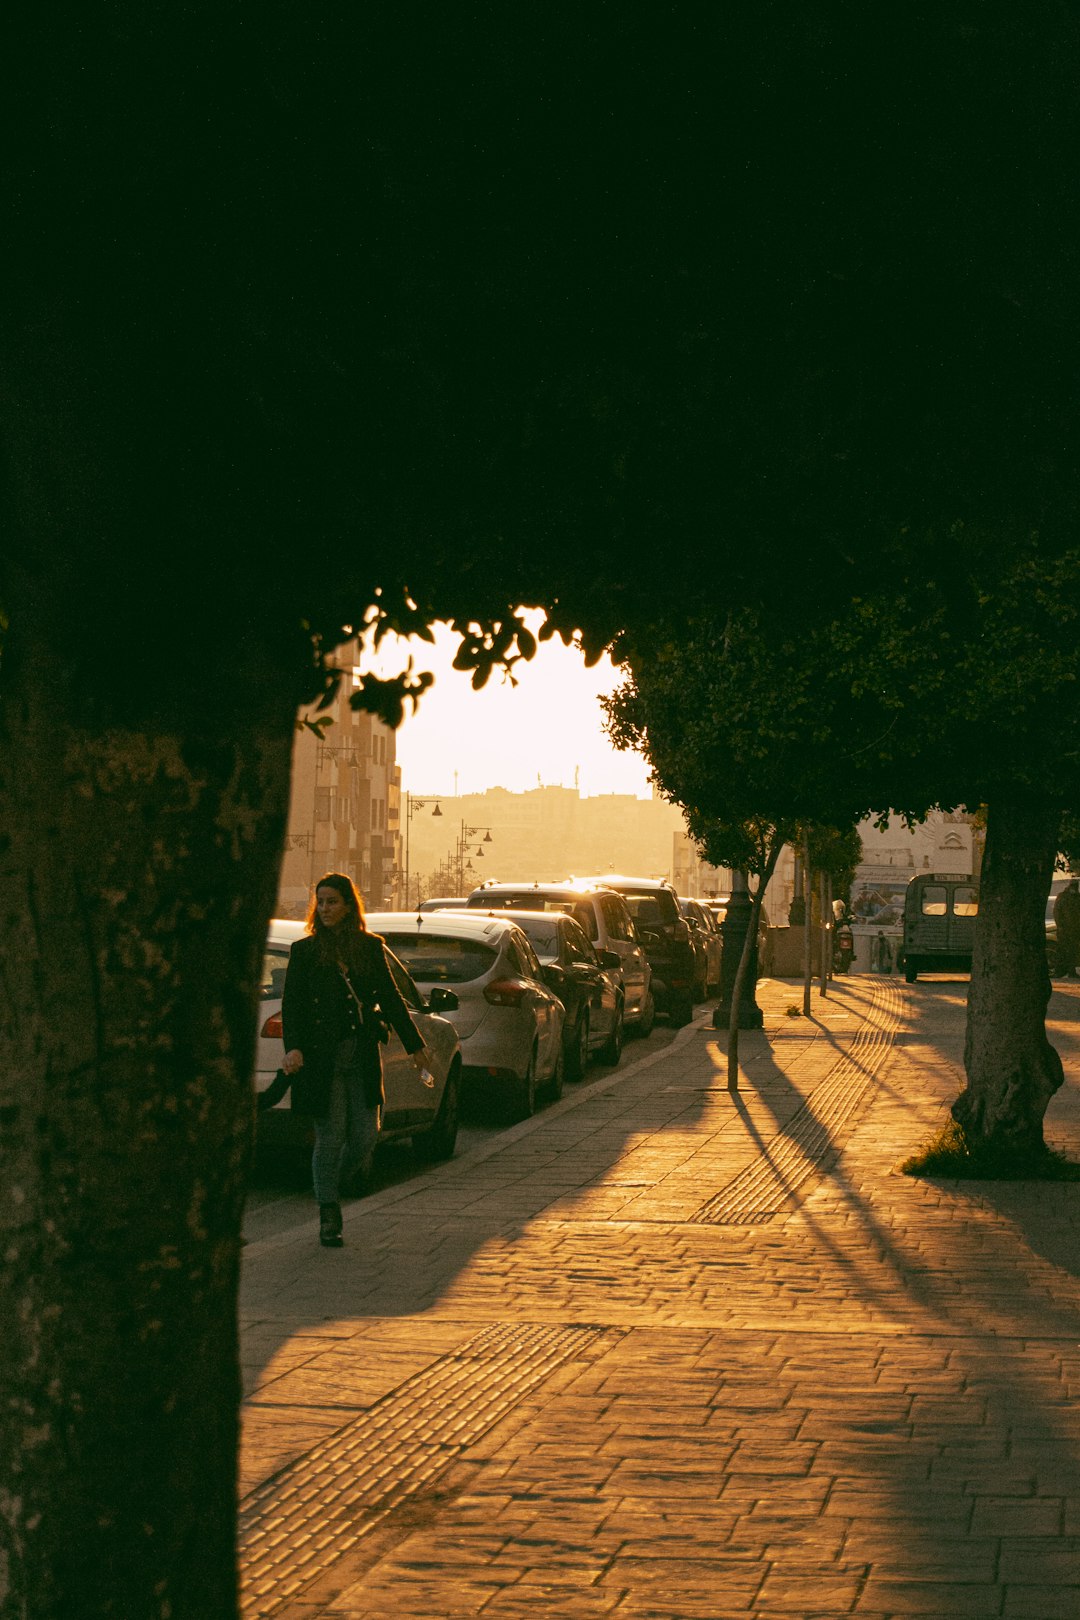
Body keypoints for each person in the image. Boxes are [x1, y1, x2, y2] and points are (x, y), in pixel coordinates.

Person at [280, 872, 430, 1246]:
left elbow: (392, 1000)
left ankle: (331, 1182)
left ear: (348, 905)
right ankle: (328, 1211)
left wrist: (416, 1047)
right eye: (322, 902)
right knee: (330, 1136)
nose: (326, 909)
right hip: (321, 1058)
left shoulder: (369, 947)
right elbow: (292, 1005)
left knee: (366, 1135)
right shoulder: (305, 952)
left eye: (333, 901)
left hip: (360, 1054)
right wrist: (293, 1047)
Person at [1054, 878, 1080, 979]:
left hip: (1075, 929)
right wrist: (1060, 925)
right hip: (1064, 930)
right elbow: (1057, 912)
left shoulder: (1077, 897)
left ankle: (1071, 971)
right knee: (1062, 951)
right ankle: (1058, 971)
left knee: (1073, 951)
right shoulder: (1063, 897)